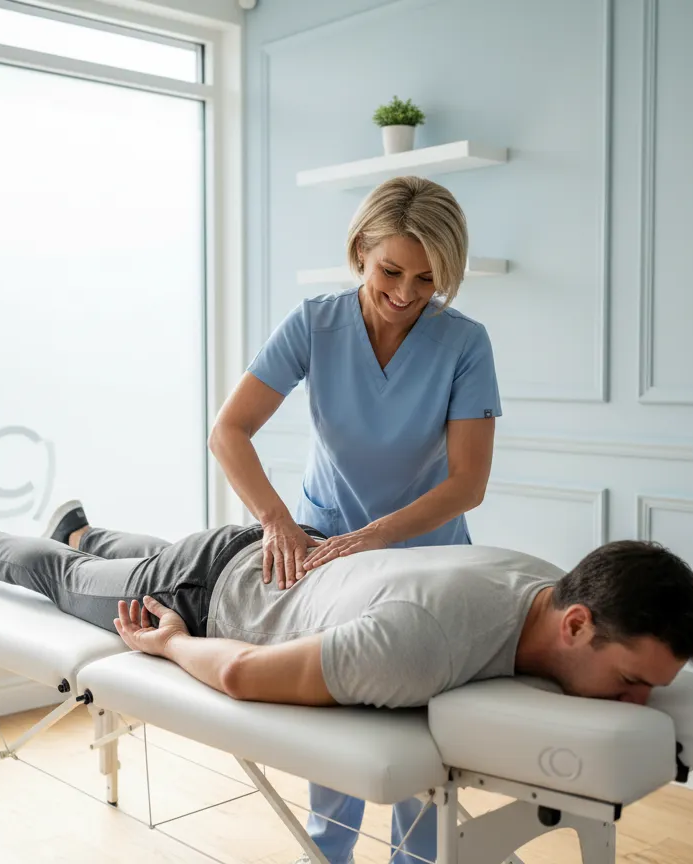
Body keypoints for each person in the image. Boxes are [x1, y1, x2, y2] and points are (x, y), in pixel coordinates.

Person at [208, 175, 502, 863]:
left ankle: (419, 858)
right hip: (321, 547)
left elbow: (468, 483)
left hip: (425, 559)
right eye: (390, 271)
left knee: (412, 733)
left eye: (428, 280)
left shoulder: (465, 344)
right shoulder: (316, 323)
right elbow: (230, 431)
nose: (405, 294)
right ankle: (327, 853)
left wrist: (372, 537)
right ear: (359, 252)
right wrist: (277, 520)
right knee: (333, 713)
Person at [0, 499, 693, 713]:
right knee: (73, 585)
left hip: (289, 556)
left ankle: (86, 527)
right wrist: (168, 645)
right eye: (629, 682)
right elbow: (240, 675)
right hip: (210, 593)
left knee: (140, 557)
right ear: (577, 623)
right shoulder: (422, 642)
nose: (640, 702)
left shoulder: (549, 577)